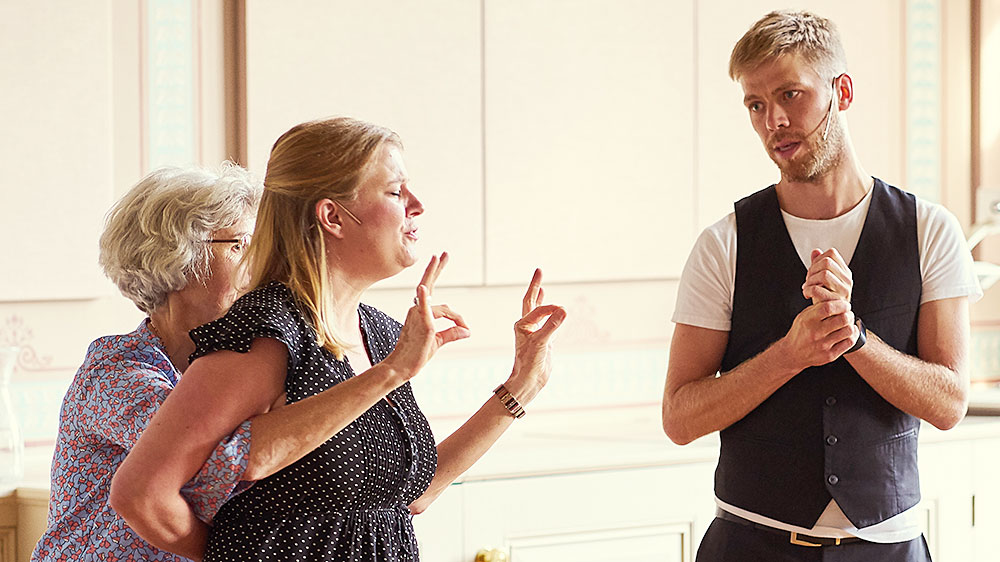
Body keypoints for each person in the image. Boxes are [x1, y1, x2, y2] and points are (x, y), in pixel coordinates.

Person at [109, 116, 567, 561]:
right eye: (394, 190)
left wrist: (521, 386)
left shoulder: (384, 333)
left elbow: (411, 497)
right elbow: (142, 494)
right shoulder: (266, 331)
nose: (417, 204)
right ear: (333, 216)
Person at [661, 10, 982, 562]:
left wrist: (853, 339)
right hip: (748, 545)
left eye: (791, 94)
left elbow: (950, 403)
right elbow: (680, 416)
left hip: (888, 548)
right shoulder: (724, 244)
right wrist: (789, 354)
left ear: (842, 91)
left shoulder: (929, 230)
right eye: (756, 105)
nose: (773, 122)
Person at [31, 163, 263, 561]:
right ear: (176, 259)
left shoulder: (227, 368)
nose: (259, 265)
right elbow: (222, 460)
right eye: (240, 245)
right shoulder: (115, 371)